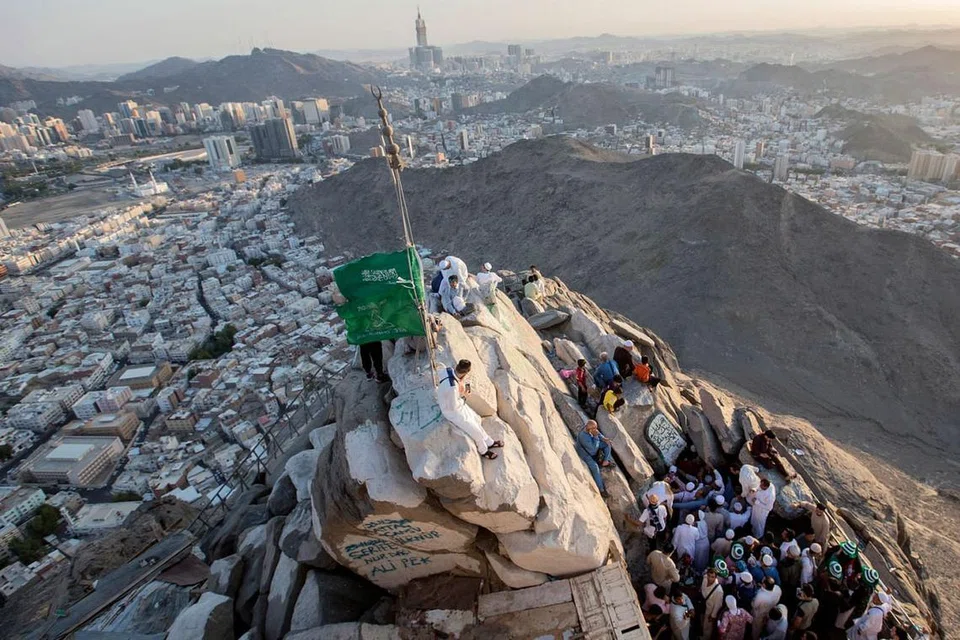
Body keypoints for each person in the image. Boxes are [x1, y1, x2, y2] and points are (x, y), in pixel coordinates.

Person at [436, 360, 503, 460]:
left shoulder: (448, 370)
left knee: (475, 419)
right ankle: (483, 450)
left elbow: (440, 372)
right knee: (474, 429)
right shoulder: (452, 388)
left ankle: (489, 441)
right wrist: (464, 396)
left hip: (456, 404)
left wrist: (460, 389)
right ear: (465, 373)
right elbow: (453, 407)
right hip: (451, 412)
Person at [576, 420, 614, 497]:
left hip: (593, 444)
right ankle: (601, 489)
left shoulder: (589, 429)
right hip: (586, 454)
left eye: (596, 428)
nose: (596, 430)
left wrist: (604, 439)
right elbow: (593, 451)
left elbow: (598, 433)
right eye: (594, 429)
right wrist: (596, 437)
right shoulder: (583, 436)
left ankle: (605, 461)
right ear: (589, 429)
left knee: (607, 444)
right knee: (595, 468)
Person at [702, 568, 725, 640]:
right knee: (702, 621)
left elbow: (718, 605)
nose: (710, 578)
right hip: (703, 605)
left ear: (715, 577)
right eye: (709, 575)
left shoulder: (719, 591)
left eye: (712, 577)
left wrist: (713, 616)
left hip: (710, 610)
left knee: (707, 627)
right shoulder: (705, 579)